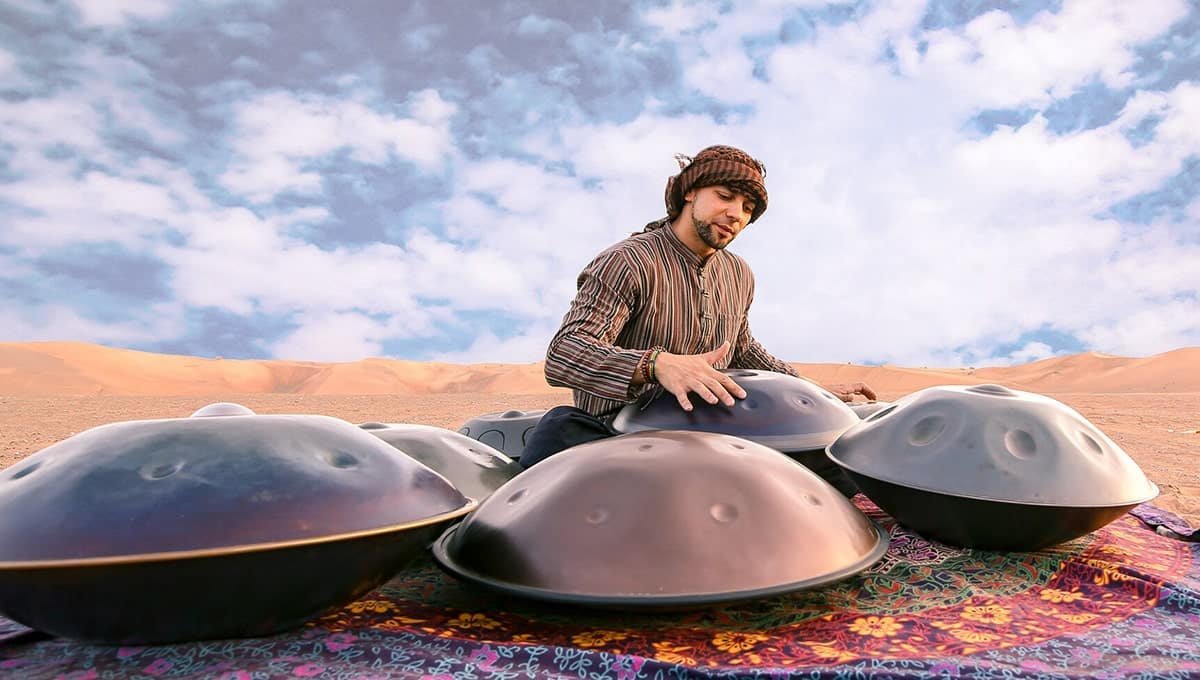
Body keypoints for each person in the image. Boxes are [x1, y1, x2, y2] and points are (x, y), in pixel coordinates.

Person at [523, 145, 875, 488]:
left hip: (715, 434)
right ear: (690, 192)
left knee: (843, 466)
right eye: (725, 196)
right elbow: (564, 354)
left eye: (747, 208)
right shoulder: (629, 262)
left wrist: (809, 392)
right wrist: (656, 365)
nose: (736, 214)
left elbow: (743, 348)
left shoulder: (738, 273)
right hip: (622, 434)